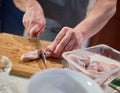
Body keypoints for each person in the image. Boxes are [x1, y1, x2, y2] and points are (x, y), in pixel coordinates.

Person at [14, 0, 117, 58]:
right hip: (36, 30)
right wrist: (30, 5)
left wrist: (80, 32)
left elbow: (108, 4)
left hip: (76, 32)